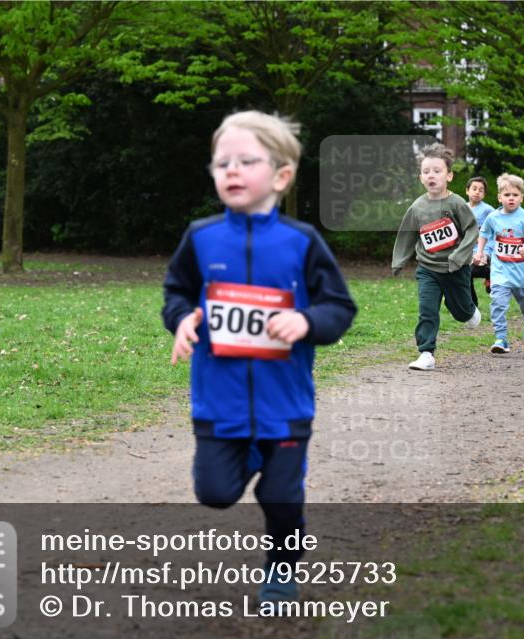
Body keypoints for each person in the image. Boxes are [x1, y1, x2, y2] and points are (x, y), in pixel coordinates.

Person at [162, 110, 357, 604]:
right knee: (215, 493)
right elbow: (176, 293)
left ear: (281, 175)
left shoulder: (302, 242)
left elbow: (339, 306)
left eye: (246, 161)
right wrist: (182, 318)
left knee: (280, 498)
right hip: (219, 404)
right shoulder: (201, 238)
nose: (231, 170)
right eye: (221, 162)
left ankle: (281, 567)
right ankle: (247, 454)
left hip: (285, 405)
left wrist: (307, 322)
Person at [391, 142, 481, 370]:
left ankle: (470, 309)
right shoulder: (417, 207)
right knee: (427, 309)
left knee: (460, 312)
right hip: (427, 268)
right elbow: (407, 235)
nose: (431, 176)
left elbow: (472, 229)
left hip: (455, 268)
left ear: (449, 176)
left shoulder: (456, 203)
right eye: (426, 171)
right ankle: (426, 353)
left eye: (437, 171)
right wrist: (399, 261)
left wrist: (461, 255)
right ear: (421, 178)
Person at [474, 173, 524, 351]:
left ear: (521, 197)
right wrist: (480, 252)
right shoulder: (493, 217)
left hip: (522, 273)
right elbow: (483, 234)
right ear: (499, 197)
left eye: (515, 195)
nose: (511, 198)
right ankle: (501, 338)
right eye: (507, 195)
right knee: (497, 302)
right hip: (500, 271)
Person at [466, 176, 496, 304]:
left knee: (471, 271)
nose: (477, 192)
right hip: (466, 250)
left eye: (481, 190)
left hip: (484, 249)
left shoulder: (488, 210)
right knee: (464, 275)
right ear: (467, 191)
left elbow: (498, 229)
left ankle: (493, 276)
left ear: (484, 194)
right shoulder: (462, 208)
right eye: (474, 189)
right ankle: (473, 304)